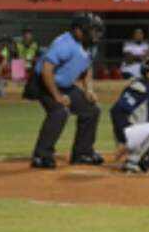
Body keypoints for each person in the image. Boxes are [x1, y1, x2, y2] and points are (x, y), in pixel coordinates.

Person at [24, 13, 104, 169]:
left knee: (92, 109)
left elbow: (87, 67)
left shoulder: (90, 45)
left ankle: (82, 153)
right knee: (60, 112)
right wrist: (57, 96)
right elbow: (47, 70)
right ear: (78, 31)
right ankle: (42, 156)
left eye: (97, 30)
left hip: (65, 85)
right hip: (44, 83)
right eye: (91, 30)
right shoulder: (64, 44)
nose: (95, 34)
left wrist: (88, 89)